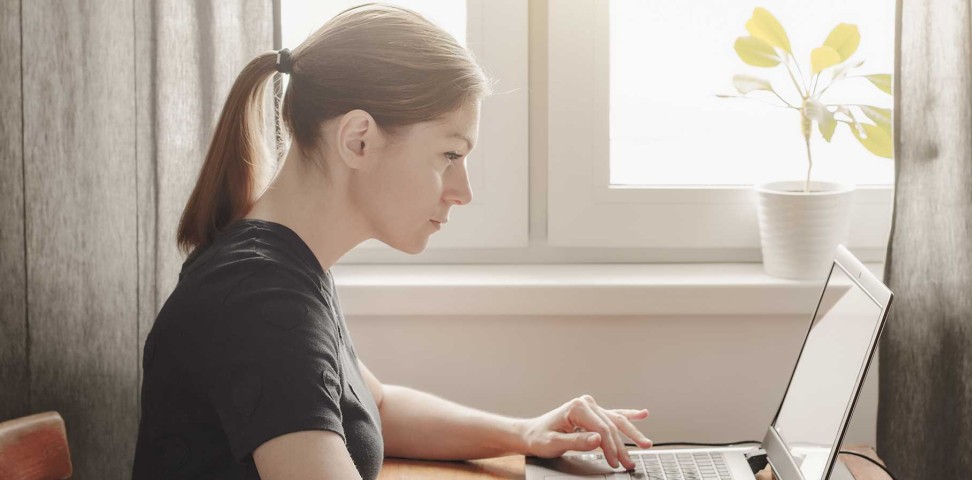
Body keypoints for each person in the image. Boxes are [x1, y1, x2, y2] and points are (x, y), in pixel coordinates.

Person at [130, 4, 652, 479]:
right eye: (450, 155)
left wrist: (526, 433)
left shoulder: (285, 270)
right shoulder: (261, 298)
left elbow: (374, 407)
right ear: (359, 139)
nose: (463, 192)